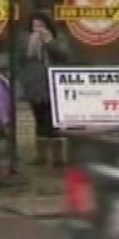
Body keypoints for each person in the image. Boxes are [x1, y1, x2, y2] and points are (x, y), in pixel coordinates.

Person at [20, 13, 69, 156]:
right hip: (34, 86)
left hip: (53, 86)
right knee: (39, 120)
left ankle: (57, 155)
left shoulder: (57, 38)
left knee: (53, 121)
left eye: (41, 25)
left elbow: (64, 56)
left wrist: (49, 42)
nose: (38, 29)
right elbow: (21, 61)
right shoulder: (25, 40)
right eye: (35, 25)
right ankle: (40, 155)